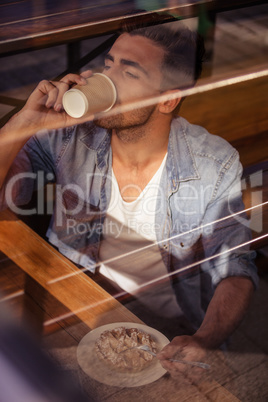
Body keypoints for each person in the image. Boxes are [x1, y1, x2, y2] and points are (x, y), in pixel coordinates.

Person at [0, 18, 258, 379]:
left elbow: (235, 270)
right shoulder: (70, 136)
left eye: (130, 72)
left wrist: (204, 338)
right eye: (109, 64)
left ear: (168, 99)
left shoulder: (213, 164)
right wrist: (25, 122)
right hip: (76, 305)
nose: (105, 78)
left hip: (169, 330)